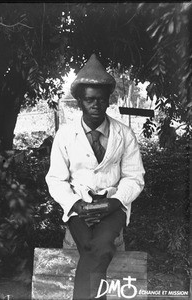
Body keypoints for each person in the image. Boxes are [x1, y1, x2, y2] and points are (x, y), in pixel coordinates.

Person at [45, 54, 145, 300]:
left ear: (108, 100)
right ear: (79, 101)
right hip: (79, 207)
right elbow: (56, 179)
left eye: (101, 100)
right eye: (89, 99)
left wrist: (116, 201)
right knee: (95, 250)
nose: (96, 105)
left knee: (97, 248)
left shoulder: (124, 134)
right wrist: (75, 204)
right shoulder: (66, 135)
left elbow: (135, 177)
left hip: (112, 206)